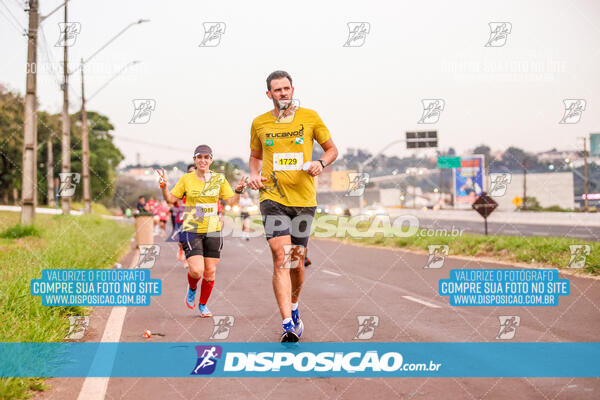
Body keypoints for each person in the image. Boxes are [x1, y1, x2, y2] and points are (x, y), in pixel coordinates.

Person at [247, 70, 338, 342]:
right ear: (269, 94)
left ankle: (295, 307)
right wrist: (254, 174)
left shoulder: (310, 117)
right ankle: (287, 322)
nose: (283, 93)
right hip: (272, 198)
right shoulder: (259, 123)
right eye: (277, 90)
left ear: (292, 89)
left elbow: (332, 149)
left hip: (304, 200)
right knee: (280, 257)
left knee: (296, 263)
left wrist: (320, 163)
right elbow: (255, 156)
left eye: (286, 88)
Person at [157, 145, 246, 317]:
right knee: (197, 270)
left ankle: (203, 305)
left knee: (210, 272)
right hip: (192, 228)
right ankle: (192, 288)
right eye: (199, 157)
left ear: (211, 160)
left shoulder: (219, 179)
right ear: (194, 160)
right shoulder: (186, 179)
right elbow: (170, 199)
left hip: (213, 229)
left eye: (207, 157)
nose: (203, 160)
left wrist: (239, 191)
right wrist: (163, 186)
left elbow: (232, 202)